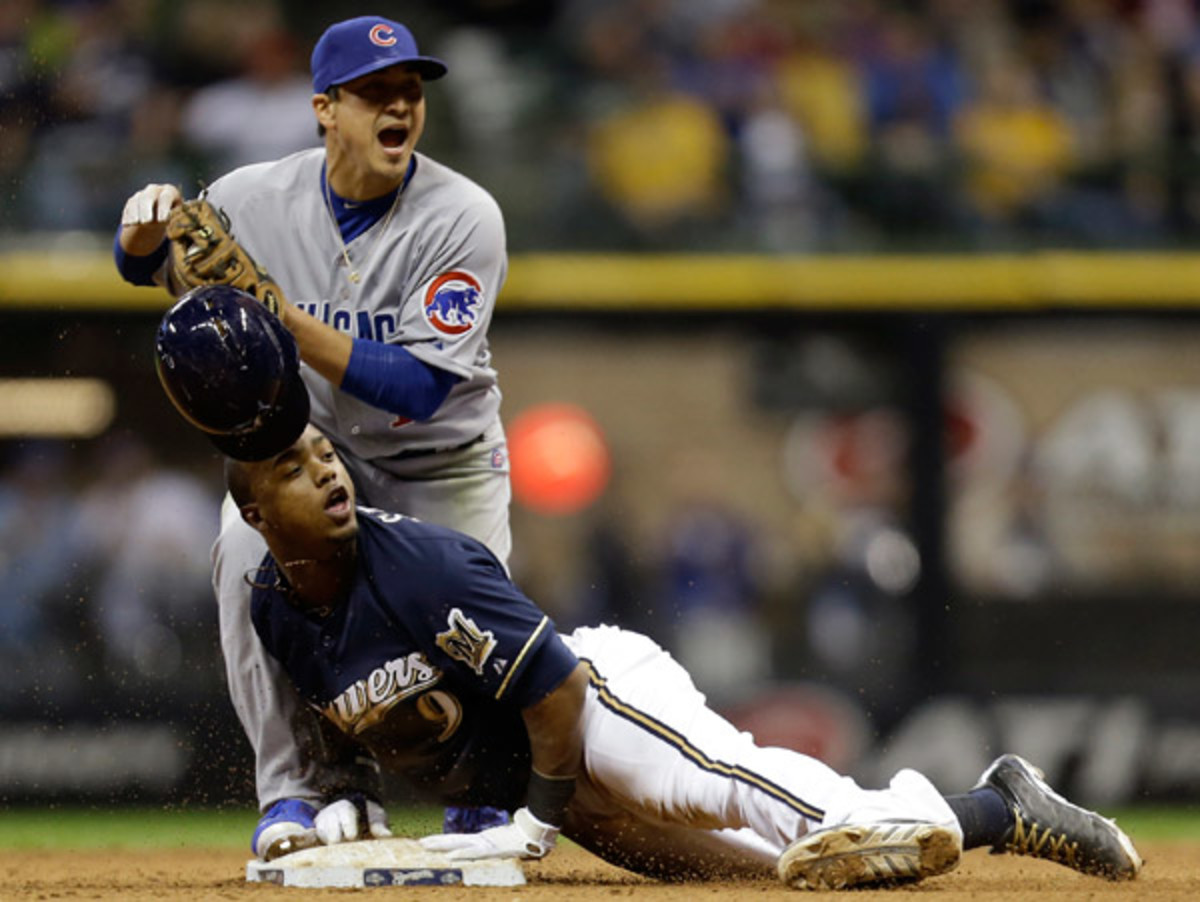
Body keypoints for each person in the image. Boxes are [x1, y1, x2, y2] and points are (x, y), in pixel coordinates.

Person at [224, 422, 1143, 890]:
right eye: (297, 469)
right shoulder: (276, 607)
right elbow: (334, 713)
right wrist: (338, 794)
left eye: (327, 453)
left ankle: (952, 805)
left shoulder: (418, 566)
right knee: (797, 872)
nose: (328, 470)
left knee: (735, 786)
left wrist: (536, 820)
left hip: (594, 703)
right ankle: (1000, 808)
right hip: (567, 797)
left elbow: (553, 689)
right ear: (255, 516)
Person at [113, 15, 513, 856]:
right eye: (375, 92)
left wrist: (281, 316)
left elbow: (418, 388)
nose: (398, 105)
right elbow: (148, 264)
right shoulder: (254, 196)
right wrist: (138, 236)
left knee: (471, 633)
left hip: (442, 462)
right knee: (244, 550)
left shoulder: (462, 215)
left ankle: (480, 801)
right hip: (318, 453)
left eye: (409, 90)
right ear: (325, 108)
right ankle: (299, 795)